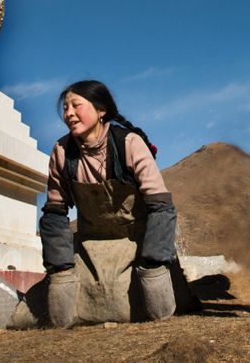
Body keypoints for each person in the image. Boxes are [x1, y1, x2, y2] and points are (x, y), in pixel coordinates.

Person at [38, 80, 187, 327]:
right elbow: (54, 212)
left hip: (137, 249)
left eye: (76, 105)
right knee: (50, 316)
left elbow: (160, 206)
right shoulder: (61, 152)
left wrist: (153, 265)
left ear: (101, 110)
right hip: (88, 250)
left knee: (157, 311)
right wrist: (60, 269)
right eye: (65, 108)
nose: (69, 114)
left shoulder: (129, 143)